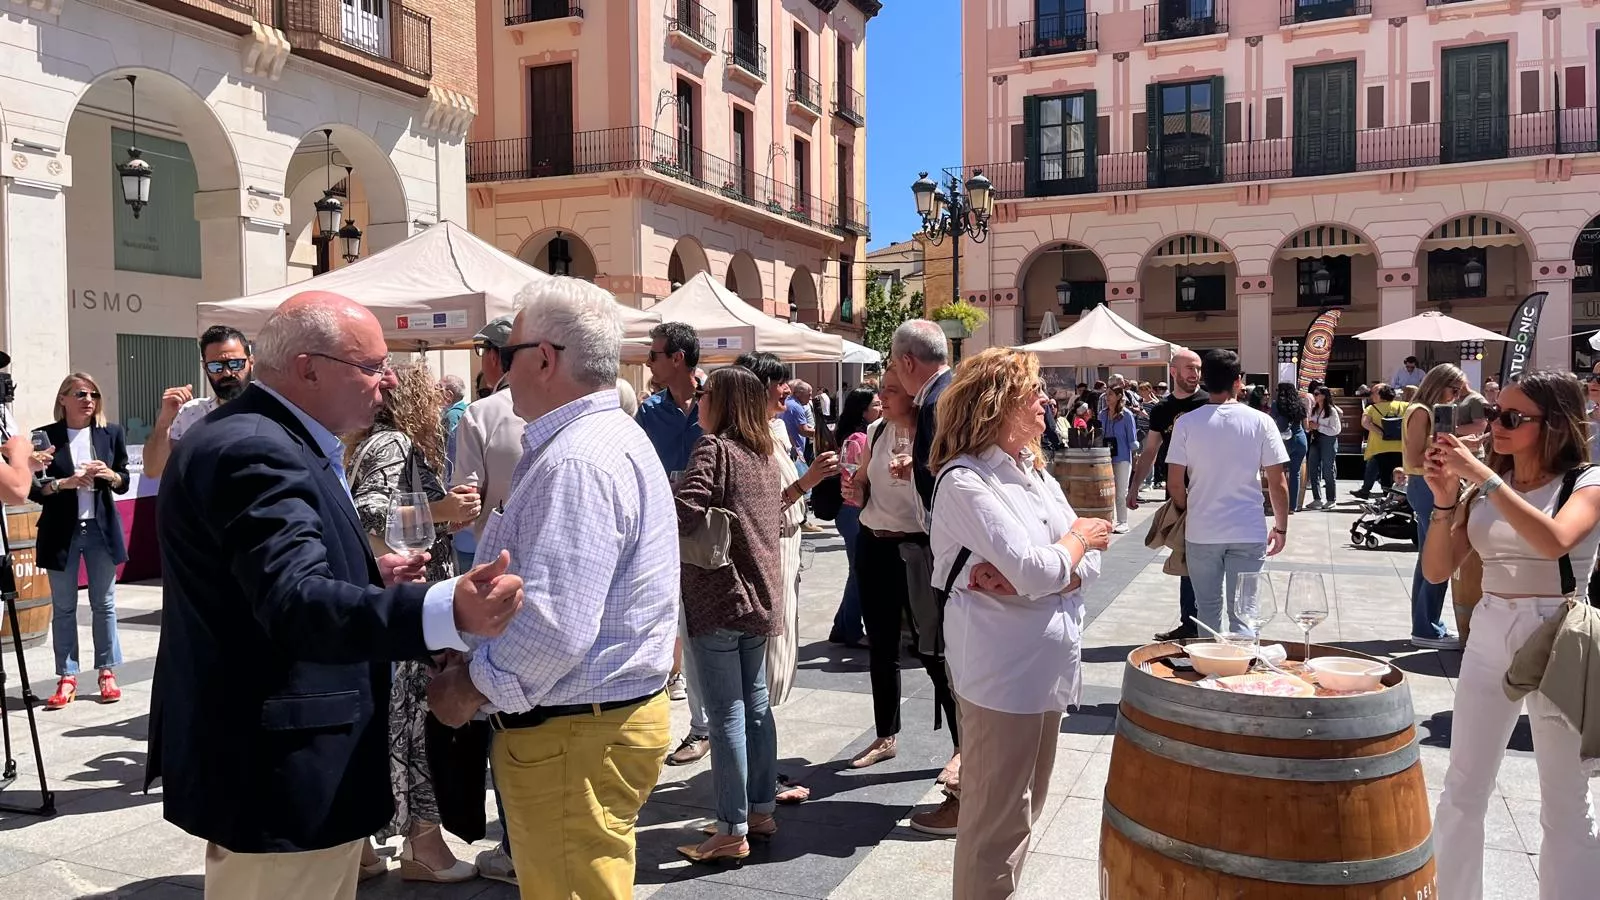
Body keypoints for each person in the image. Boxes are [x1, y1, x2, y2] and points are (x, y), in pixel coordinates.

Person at [147, 291, 524, 900]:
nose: (390, 380)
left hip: (284, 768)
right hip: (279, 776)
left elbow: (263, 586)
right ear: (308, 368)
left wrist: (371, 582)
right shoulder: (256, 448)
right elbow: (293, 601)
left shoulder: (272, 437)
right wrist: (444, 609)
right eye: (372, 366)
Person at [425, 278, 677, 900]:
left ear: (544, 359)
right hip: (598, 721)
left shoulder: (577, 459)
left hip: (574, 731)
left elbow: (555, 628)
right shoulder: (605, 438)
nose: (498, 371)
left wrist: (470, 689)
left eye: (507, 355)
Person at [928, 348, 1110, 899]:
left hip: (1045, 674)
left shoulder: (1032, 473)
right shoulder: (965, 482)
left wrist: (1061, 566)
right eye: (1033, 390)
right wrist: (1071, 547)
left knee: (1023, 815)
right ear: (997, 402)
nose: (1045, 400)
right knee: (994, 828)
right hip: (1002, 678)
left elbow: (1086, 562)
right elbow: (1054, 557)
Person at [1420, 371, 1600, 899]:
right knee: (1462, 789)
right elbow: (1436, 571)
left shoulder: (1586, 482)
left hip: (1558, 631)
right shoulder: (1484, 491)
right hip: (1490, 624)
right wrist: (1444, 500)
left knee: (1564, 802)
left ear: (1556, 425)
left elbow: (1555, 541)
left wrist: (1483, 475)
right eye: (1497, 413)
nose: (1496, 425)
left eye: (1513, 418)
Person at [345, 363, 481, 883]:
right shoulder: (393, 443)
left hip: (396, 606)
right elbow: (367, 514)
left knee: (390, 725)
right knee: (414, 727)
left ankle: (360, 847)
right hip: (410, 608)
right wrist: (442, 509)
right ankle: (424, 846)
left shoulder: (373, 444)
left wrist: (446, 513)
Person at [673, 366, 787, 863]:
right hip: (760, 596)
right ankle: (758, 810)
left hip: (720, 596)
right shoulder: (762, 452)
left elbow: (685, 509)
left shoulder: (713, 448)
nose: (698, 401)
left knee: (727, 715)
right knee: (755, 707)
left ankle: (731, 828)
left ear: (722, 402)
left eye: (705, 394)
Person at [843, 369, 959, 777]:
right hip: (873, 542)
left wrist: (919, 470)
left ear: (912, 395)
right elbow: (860, 485)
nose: (883, 397)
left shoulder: (934, 433)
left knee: (933, 651)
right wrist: (855, 492)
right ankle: (885, 734)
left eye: (892, 390)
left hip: (915, 549)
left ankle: (962, 745)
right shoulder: (875, 431)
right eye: (882, 391)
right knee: (882, 644)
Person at [446, 315, 525, 886]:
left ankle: (514, 843)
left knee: (502, 709)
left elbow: (465, 507)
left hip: (496, 576)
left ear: (493, 359)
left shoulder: (482, 415)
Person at [737, 352, 838, 709]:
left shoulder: (772, 430)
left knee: (782, 643)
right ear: (756, 389)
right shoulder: (748, 440)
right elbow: (758, 508)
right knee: (772, 648)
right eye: (778, 383)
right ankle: (758, 744)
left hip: (787, 545)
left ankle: (762, 743)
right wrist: (807, 481)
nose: (786, 389)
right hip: (770, 549)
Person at [1166, 350, 1290, 635]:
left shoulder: (1186, 423)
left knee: (1207, 609)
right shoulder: (1261, 422)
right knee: (1245, 612)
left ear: (1205, 380)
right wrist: (1281, 528)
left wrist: (1191, 508)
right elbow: (1278, 482)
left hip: (1202, 529)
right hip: (1247, 528)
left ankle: (1209, 671)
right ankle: (1242, 675)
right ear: (1238, 381)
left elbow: (1174, 483)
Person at [637, 321, 711, 766]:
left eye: (655, 354)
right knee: (682, 626)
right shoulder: (649, 412)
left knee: (708, 633)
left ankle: (715, 725)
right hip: (666, 534)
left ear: (678, 358)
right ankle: (699, 726)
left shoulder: (716, 402)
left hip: (713, 535)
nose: (649, 361)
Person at [33, 373, 130, 708]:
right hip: (62, 532)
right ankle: (67, 676)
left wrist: (110, 475)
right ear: (63, 399)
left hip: (100, 529)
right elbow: (37, 490)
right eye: (80, 394)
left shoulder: (110, 433)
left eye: (93, 394)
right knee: (63, 608)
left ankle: (107, 673)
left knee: (104, 605)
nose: (88, 400)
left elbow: (124, 480)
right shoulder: (45, 437)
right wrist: (66, 483)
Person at [1129, 348, 1206, 641]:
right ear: (1173, 371)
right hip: (1179, 493)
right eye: (1188, 368)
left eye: (1197, 368)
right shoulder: (1162, 410)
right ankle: (1190, 624)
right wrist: (1134, 487)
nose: (1194, 374)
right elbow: (1150, 451)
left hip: (1208, 490)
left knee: (1209, 558)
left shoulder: (1210, 402)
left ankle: (1207, 625)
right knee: (1185, 557)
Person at [1403, 363, 1468, 650]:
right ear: (1440, 386)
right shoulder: (1421, 412)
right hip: (1426, 485)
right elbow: (1416, 456)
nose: (1457, 396)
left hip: (1426, 484)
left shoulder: (1425, 411)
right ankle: (1426, 626)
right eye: (1455, 390)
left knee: (1428, 557)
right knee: (1438, 556)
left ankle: (1426, 622)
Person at [142, 325, 254, 478]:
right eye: (216, 367)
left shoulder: (272, 408)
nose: (227, 373)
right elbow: (153, 470)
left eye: (235, 364)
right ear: (205, 367)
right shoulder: (192, 412)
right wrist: (164, 421)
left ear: (251, 362)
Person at [828, 386, 880, 647]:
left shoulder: (850, 434)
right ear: (863, 410)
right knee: (859, 572)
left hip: (848, 510)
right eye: (876, 405)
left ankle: (841, 625)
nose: (881, 409)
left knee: (856, 570)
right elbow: (858, 476)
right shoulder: (860, 438)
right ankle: (851, 630)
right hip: (853, 510)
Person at [1355, 384, 1407, 497]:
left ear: (1380, 395)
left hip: (1380, 447)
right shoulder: (1404, 406)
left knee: (1385, 475)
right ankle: (1401, 498)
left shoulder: (1372, 408)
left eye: (1374, 394)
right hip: (1401, 447)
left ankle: (1387, 498)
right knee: (1401, 474)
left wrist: (1381, 432)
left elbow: (1365, 423)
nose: (1372, 396)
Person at [1099, 387, 1137, 533]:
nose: (1107, 397)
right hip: (1105, 458)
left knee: (1121, 492)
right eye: (1106, 394)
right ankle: (1110, 520)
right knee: (1108, 491)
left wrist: (1135, 456)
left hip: (1122, 457)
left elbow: (1132, 440)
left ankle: (1123, 521)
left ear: (1118, 396)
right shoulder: (1102, 414)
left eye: (1110, 394)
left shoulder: (1127, 415)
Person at [1271, 382, 1309, 513]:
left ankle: (1279, 505)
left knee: (1278, 474)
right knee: (1295, 473)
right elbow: (1306, 425)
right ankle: (1292, 506)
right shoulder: (1300, 405)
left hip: (1284, 441)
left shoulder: (1276, 405)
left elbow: (1273, 423)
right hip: (1301, 439)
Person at [1305, 387, 1342, 510]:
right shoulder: (1315, 410)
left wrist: (1318, 427)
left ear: (1324, 396)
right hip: (1315, 440)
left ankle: (1331, 499)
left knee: (1328, 469)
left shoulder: (1331, 411)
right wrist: (1310, 426)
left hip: (1328, 440)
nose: (1314, 396)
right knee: (1313, 468)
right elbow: (1311, 424)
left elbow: (1336, 430)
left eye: (1317, 394)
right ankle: (1317, 499)